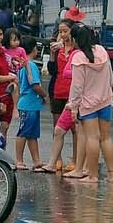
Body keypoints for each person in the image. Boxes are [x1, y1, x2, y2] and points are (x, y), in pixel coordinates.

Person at [66, 24, 113, 185]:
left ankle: (93, 176)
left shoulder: (78, 58)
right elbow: (110, 77)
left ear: (75, 39)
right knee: (106, 138)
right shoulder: (102, 51)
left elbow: (77, 86)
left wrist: (73, 106)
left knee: (92, 138)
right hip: (106, 101)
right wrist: (107, 92)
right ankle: (112, 176)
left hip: (88, 105)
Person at [40, 16, 81, 174]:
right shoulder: (58, 49)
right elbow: (51, 70)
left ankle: (76, 160)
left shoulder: (77, 50)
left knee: (75, 129)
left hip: (73, 95)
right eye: (60, 31)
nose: (62, 34)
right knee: (57, 127)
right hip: (57, 91)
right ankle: (57, 160)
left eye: (65, 31)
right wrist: (52, 54)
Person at [14, 34, 47, 171]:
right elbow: (35, 84)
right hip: (28, 104)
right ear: (35, 49)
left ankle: (36, 160)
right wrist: (44, 95)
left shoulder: (23, 65)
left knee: (32, 134)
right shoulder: (31, 65)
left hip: (30, 104)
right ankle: (19, 160)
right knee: (23, 133)